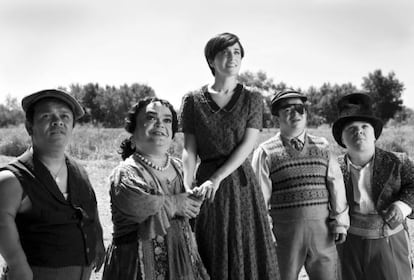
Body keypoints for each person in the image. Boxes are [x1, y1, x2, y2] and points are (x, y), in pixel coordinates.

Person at [180, 32, 279, 279]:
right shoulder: (192, 100)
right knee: (208, 246)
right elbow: (189, 149)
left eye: (236, 52)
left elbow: (248, 145)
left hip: (239, 181)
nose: (231, 57)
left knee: (244, 246)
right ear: (211, 61)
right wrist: (186, 185)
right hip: (205, 186)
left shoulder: (252, 97)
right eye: (224, 52)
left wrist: (218, 178)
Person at [0, 89, 105, 280]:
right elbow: (2, 222)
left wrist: (98, 240)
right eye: (46, 116)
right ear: (29, 127)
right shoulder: (12, 179)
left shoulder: (80, 172)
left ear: (72, 126)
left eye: (64, 116)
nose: (58, 121)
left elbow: (92, 209)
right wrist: (17, 264)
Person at [102, 97, 209, 280]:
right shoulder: (126, 172)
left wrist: (196, 199)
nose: (160, 124)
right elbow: (137, 205)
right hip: (136, 268)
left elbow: (193, 211)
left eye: (167, 120)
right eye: (151, 118)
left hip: (182, 264)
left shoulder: (181, 168)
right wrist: (175, 204)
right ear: (133, 131)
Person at [252, 89, 349, 280]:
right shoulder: (265, 152)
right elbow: (259, 201)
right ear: (275, 117)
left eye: (299, 108)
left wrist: (341, 223)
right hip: (284, 237)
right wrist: (266, 234)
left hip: (323, 233)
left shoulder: (323, 146)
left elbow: (336, 186)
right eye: (287, 109)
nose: (295, 113)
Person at [332, 92, 414, 280]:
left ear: (375, 135)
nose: (358, 131)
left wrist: (402, 205)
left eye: (364, 126)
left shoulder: (397, 161)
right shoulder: (333, 167)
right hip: (348, 243)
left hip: (388, 240)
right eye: (351, 128)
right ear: (342, 140)